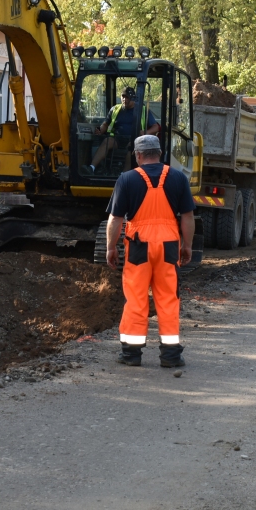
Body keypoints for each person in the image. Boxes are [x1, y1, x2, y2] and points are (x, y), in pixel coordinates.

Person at [105, 134, 195, 367]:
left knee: (135, 298)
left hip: (138, 246)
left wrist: (110, 247)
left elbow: (115, 219)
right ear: (160, 153)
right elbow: (187, 216)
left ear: (138, 156)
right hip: (168, 247)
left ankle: (131, 355)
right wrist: (187, 245)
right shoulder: (178, 178)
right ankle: (171, 356)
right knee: (168, 298)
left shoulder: (127, 179)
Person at [87, 87, 159, 173]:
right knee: (107, 141)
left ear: (133, 98)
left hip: (134, 139)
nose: (124, 99)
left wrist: (145, 133)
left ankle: (123, 175)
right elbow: (106, 124)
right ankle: (92, 168)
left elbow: (156, 127)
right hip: (117, 139)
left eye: (127, 97)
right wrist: (100, 130)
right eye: (123, 96)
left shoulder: (143, 110)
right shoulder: (115, 109)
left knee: (131, 146)